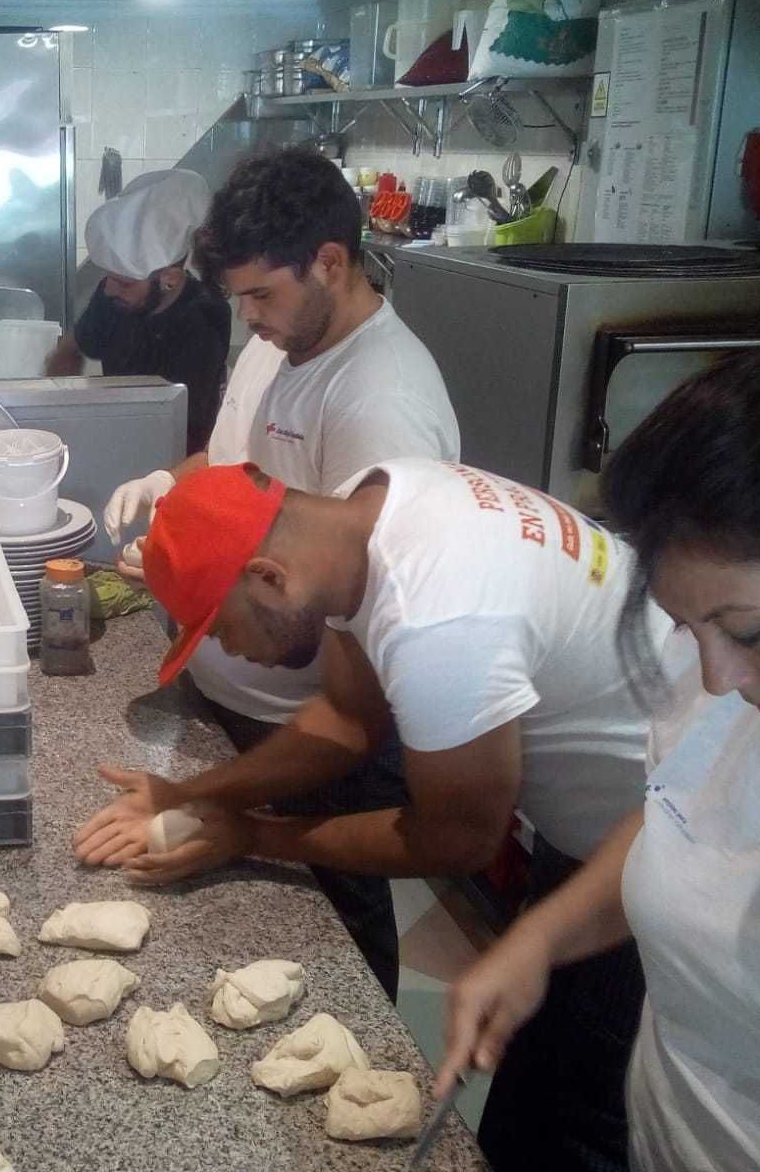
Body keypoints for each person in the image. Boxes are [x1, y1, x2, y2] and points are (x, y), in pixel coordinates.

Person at [78, 456, 663, 1171]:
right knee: (527, 1091)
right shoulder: (372, 509)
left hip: (666, 842)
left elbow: (459, 840)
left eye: (221, 628)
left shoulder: (438, 620)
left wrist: (253, 835)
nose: (230, 650)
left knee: (568, 1124)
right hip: (608, 817)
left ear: (267, 576)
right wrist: (199, 795)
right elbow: (351, 717)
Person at [92, 149, 460, 997]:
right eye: (238, 297)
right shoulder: (279, 337)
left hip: (307, 748)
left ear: (330, 261)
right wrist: (170, 495)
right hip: (236, 712)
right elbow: (231, 468)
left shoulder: (380, 403)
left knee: (329, 951)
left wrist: (205, 794)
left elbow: (354, 707)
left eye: (262, 293)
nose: (248, 315)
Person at [437, 347, 760, 1172]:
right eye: (688, 628)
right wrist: (539, 937)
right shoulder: (723, 682)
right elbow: (678, 817)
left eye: (748, 633)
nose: (717, 676)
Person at [45, 169, 230, 453]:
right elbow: (69, 348)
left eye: (124, 282)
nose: (109, 289)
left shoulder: (204, 317)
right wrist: (56, 422)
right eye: (109, 277)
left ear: (170, 279)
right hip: (115, 441)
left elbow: (183, 424)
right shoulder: (112, 297)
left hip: (177, 458)